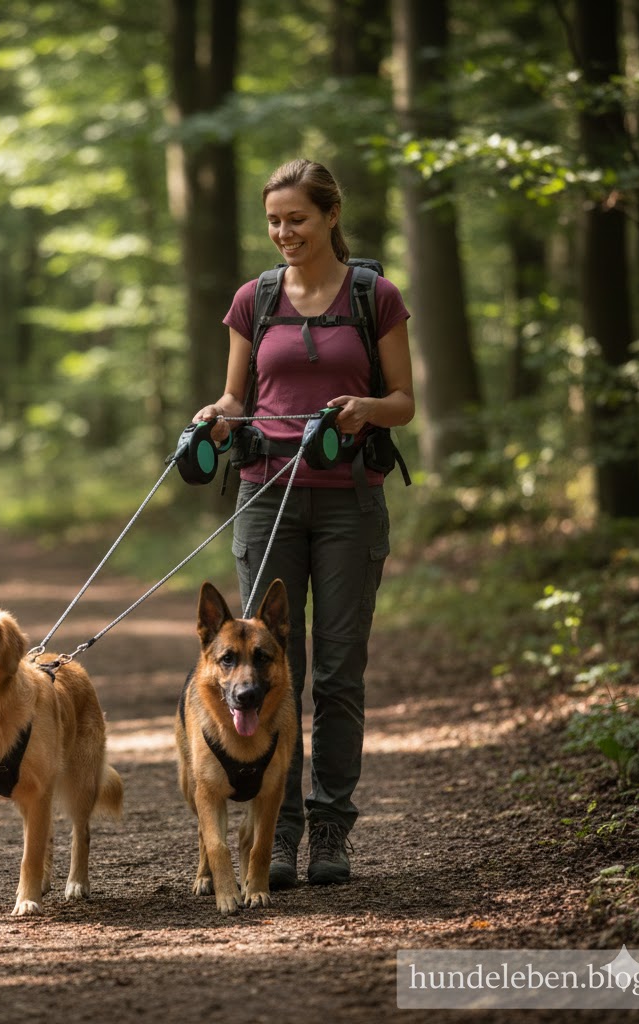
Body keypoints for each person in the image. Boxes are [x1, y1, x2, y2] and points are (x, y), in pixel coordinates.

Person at [192, 158, 415, 888]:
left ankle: (330, 830)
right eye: (274, 221)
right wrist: (215, 419)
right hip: (265, 497)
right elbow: (235, 398)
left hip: (350, 500)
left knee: (340, 671)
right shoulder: (253, 300)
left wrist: (364, 409)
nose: (285, 233)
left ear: (329, 217)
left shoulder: (373, 295)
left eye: (298, 219)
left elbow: (405, 401)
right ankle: (278, 833)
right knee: (264, 671)